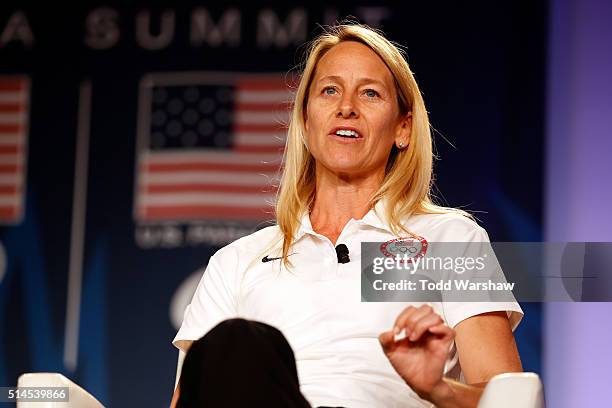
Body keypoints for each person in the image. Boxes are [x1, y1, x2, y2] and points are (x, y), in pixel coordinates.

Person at [171, 23, 523, 408]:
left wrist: (436, 388)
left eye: (369, 93)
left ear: (403, 128)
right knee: (235, 343)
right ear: (306, 122)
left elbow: (509, 398)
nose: (347, 107)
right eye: (329, 90)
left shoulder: (449, 239)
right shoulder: (236, 262)